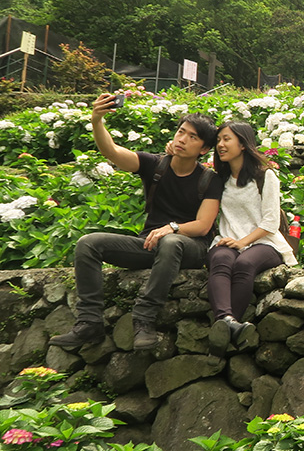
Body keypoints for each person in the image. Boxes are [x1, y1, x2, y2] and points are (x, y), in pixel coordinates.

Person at [49, 95, 222, 351]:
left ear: (204, 149)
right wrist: (97, 120)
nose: (182, 139)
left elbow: (203, 225)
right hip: (150, 244)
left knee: (171, 242)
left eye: (193, 137)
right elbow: (112, 152)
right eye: (181, 132)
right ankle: (89, 323)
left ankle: (144, 319)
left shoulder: (210, 179)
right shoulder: (155, 165)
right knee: (89, 244)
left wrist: (171, 228)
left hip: (190, 247)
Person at [207, 122, 297, 354]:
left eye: (226, 139)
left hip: (264, 242)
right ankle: (229, 322)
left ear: (243, 144)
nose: (220, 145)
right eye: (218, 140)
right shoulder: (220, 180)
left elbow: (270, 223)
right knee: (221, 261)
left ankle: (224, 332)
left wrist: (243, 242)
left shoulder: (265, 176)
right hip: (228, 241)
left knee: (245, 264)